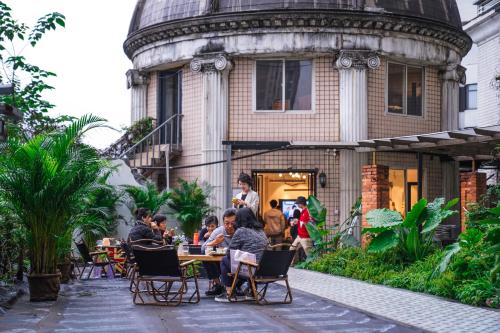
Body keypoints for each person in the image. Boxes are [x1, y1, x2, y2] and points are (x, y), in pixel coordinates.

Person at [215, 208, 268, 302]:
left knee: (224, 260)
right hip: (264, 271)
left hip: (250, 271)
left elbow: (230, 253)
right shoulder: (261, 232)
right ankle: (252, 292)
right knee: (252, 261)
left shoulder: (241, 231)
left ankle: (229, 292)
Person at [201, 209, 237, 296]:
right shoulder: (218, 231)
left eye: (233, 223)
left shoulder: (241, 231)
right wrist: (215, 242)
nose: (229, 226)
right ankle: (218, 285)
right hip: (220, 261)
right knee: (205, 257)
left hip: (237, 260)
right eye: (226, 223)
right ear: (223, 222)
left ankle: (237, 285)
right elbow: (203, 248)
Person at [290, 196, 313, 262]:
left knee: (309, 253)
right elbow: (302, 223)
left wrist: (298, 221)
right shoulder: (303, 211)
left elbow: (309, 223)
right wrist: (296, 222)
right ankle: (290, 264)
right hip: (300, 235)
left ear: (301, 204)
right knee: (292, 249)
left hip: (305, 236)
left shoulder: (307, 211)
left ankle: (313, 265)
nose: (297, 205)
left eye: (298, 204)